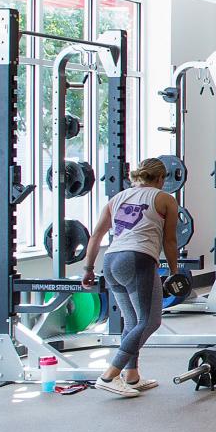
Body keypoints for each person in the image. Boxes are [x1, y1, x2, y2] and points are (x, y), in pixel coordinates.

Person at [77, 158, 181, 397]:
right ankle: (110, 375)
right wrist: (175, 272)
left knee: (132, 321)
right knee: (150, 320)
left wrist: (88, 269)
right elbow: (170, 240)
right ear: (160, 178)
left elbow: (96, 236)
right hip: (137, 260)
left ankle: (132, 376)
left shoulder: (117, 199)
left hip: (111, 261)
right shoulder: (165, 199)